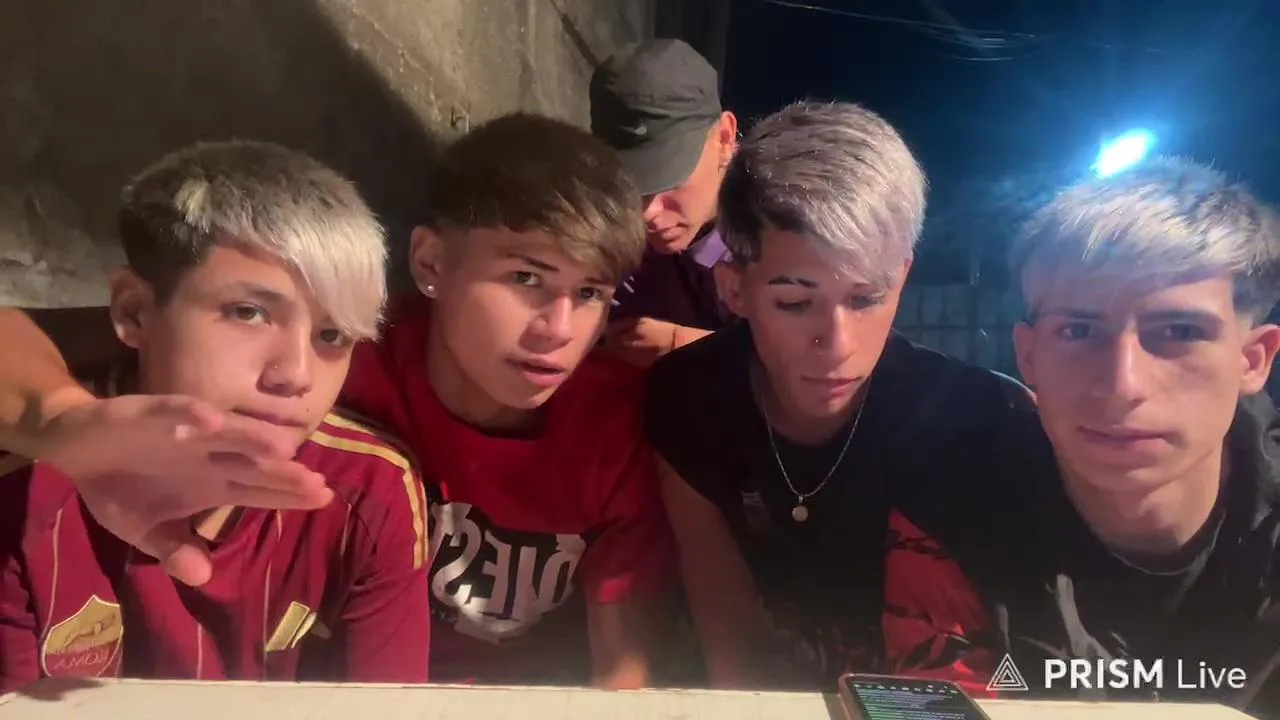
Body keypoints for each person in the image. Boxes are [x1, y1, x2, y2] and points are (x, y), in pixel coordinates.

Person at [0, 113, 674, 690]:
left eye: (591, 293)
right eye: (526, 277)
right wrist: (61, 423)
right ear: (430, 264)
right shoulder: (353, 351)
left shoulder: (617, 425)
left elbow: (626, 667)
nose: (558, 328)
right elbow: (49, 333)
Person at [0, 141, 431, 690]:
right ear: (134, 310)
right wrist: (59, 425)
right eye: (248, 312)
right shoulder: (30, 482)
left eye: (332, 335)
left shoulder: (368, 492)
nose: (296, 374)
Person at [644, 100, 1033, 691]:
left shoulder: (977, 422)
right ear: (734, 290)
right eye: (794, 302)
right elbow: (734, 647)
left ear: (902, 278)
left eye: (867, 298)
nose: (837, 344)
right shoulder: (690, 400)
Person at [885, 158, 1280, 716]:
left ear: (1252, 359)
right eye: (1078, 330)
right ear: (1028, 356)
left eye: (1179, 332)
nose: (1123, 385)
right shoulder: (948, 519)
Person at [590, 39, 739, 367]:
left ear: (725, 139)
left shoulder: (790, 230)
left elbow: (818, 360)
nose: (647, 213)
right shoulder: (612, 213)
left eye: (669, 178)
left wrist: (685, 344)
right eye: (631, 184)